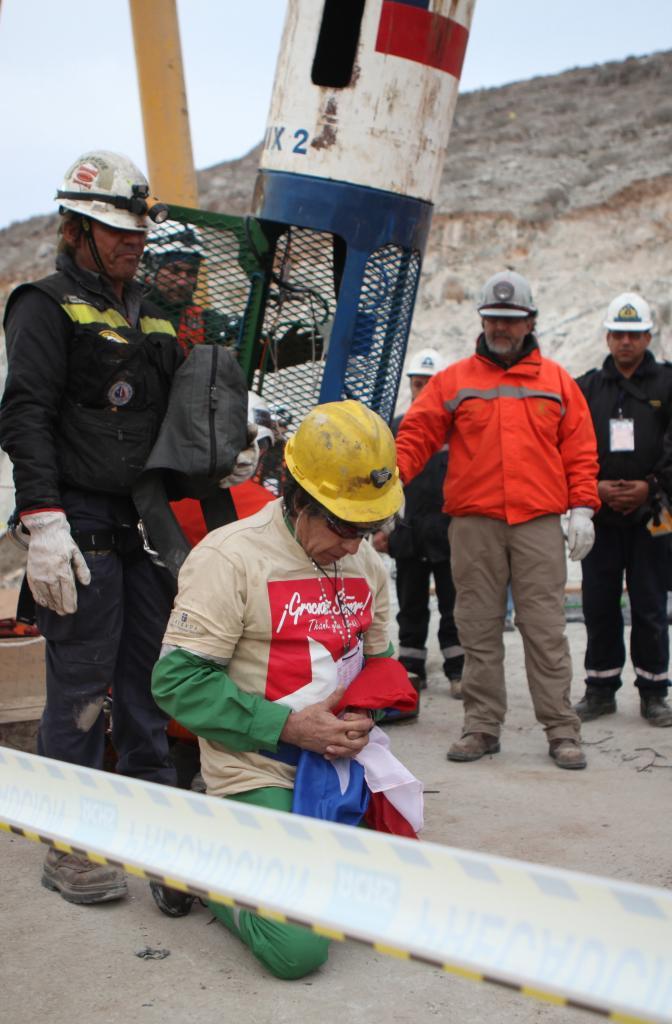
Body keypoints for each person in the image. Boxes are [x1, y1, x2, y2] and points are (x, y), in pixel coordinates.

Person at [0, 150, 255, 906]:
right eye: (117, 230)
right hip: (76, 519)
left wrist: (225, 452)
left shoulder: (151, 311)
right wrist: (41, 518)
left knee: (150, 683)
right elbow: (25, 413)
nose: (132, 243)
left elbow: (174, 416)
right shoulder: (44, 305)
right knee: (81, 687)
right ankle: (70, 844)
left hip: (144, 522)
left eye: (138, 231)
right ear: (76, 229)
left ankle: (155, 836)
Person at [151, 400, 421, 978]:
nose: (356, 545)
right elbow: (176, 682)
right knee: (297, 949)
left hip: (336, 769)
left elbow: (380, 665)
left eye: (370, 528)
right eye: (345, 526)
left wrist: (366, 717)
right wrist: (290, 727)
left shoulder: (366, 567)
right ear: (299, 501)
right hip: (258, 769)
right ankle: (196, 857)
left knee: (392, 902)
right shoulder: (230, 558)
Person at [395, 270, 600, 769]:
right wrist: (391, 479)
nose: (500, 327)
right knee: (477, 627)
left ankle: (561, 729)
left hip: (537, 522)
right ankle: (481, 726)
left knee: (545, 628)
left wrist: (582, 507)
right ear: (482, 320)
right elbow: (417, 434)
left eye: (510, 319)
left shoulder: (557, 382)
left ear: (530, 322)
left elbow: (579, 449)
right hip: (474, 524)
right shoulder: (454, 381)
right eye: (493, 318)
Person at [574, 292, 672, 727]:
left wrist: (651, 486)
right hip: (601, 514)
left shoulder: (667, 384)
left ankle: (654, 692)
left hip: (654, 514)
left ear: (648, 336)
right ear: (608, 337)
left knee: (650, 605)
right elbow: (570, 446)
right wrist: (593, 487)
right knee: (599, 604)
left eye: (634, 334)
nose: (626, 341)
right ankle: (600, 689)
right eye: (618, 334)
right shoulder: (586, 388)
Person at [373, 348, 464, 704]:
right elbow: (384, 485)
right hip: (408, 533)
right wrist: (381, 528)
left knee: (454, 604)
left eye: (429, 383)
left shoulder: (457, 429)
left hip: (449, 533)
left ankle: (458, 668)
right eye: (417, 383)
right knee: (410, 603)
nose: (422, 389)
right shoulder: (396, 428)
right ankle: (411, 666)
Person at [141, 225, 240, 354]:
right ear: (152, 272)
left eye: (191, 273)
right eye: (174, 271)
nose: (183, 282)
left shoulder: (202, 320)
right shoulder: (131, 308)